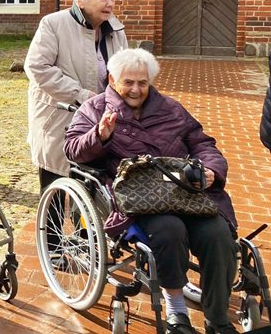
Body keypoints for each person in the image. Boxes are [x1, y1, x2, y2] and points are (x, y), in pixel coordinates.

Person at [65, 48, 239, 334]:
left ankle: (217, 317)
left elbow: (202, 143)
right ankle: (176, 312)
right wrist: (99, 135)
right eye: (128, 82)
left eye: (142, 83)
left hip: (184, 192)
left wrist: (211, 170)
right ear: (112, 78)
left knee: (217, 234)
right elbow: (72, 149)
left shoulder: (171, 108)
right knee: (169, 230)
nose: (135, 89)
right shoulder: (95, 109)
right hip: (137, 199)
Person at [24, 0, 127, 190]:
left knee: (91, 190)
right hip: (59, 119)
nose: (110, 3)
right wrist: (82, 96)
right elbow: (37, 67)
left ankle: (85, 226)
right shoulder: (54, 24)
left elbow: (124, 71)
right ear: (81, 0)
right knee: (56, 189)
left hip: (99, 123)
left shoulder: (116, 29)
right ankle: (50, 225)